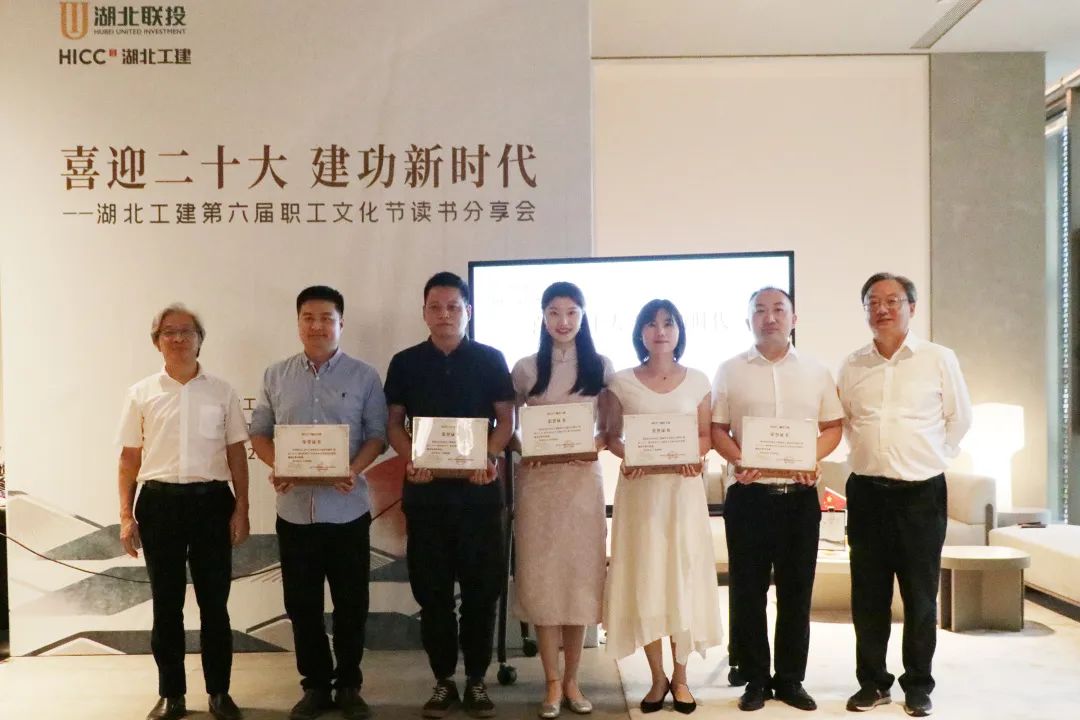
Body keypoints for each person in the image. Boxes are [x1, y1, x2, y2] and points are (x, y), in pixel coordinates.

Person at [249, 286, 388, 720]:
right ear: (298, 323)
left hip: (348, 512)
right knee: (302, 605)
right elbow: (259, 433)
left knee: (351, 605)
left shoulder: (364, 376)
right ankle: (314, 685)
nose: (317, 326)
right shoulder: (275, 376)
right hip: (295, 513)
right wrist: (278, 464)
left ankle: (348, 684)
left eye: (327, 318)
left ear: (341, 323)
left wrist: (354, 469)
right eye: (308, 317)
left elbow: (377, 436)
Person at [838, 273, 972, 718]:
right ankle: (872, 682)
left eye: (892, 300)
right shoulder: (852, 364)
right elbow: (847, 421)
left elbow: (959, 419)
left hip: (921, 495)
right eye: (873, 302)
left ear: (911, 307)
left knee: (920, 596)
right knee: (868, 596)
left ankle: (918, 684)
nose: (882, 309)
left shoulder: (938, 358)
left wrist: (932, 458)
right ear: (865, 311)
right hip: (867, 494)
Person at [384, 271, 515, 719]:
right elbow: (394, 424)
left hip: (479, 498)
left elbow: (505, 421)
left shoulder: (490, 359)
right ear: (424, 312)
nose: (445, 315)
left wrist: (488, 457)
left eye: (454, 307)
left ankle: (476, 680)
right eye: (435, 307)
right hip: (426, 499)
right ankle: (443, 680)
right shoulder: (405, 362)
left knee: (481, 593)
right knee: (433, 595)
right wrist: (411, 460)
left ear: (468, 311)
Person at [710, 287, 843, 712]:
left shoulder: (817, 371)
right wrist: (739, 459)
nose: (770, 318)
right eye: (760, 311)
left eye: (779, 310)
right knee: (747, 592)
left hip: (799, 499)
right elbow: (717, 429)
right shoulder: (730, 370)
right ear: (748, 319)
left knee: (796, 592)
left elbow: (833, 426)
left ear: (794, 318)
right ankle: (755, 679)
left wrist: (811, 458)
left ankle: (789, 679)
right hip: (749, 497)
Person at [117, 304, 250, 720]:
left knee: (215, 604)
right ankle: (171, 694)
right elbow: (129, 458)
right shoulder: (141, 393)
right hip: (159, 505)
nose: (178, 338)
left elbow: (236, 454)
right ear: (157, 341)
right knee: (166, 604)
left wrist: (242, 508)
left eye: (186, 331)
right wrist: (125, 515)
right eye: (168, 332)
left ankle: (219, 693)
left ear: (200, 339)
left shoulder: (222, 391)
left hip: (212, 504)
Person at [602, 299, 723, 715]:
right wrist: (629, 456)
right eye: (651, 324)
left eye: (668, 324)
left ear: (679, 331)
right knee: (648, 576)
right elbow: (612, 436)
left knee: (681, 576)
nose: (660, 331)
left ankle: (682, 678)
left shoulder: (699, 380)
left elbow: (705, 434)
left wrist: (696, 454)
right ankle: (657, 677)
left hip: (682, 493)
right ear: (640, 332)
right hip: (641, 494)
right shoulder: (620, 382)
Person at [510, 282, 613, 719]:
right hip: (538, 486)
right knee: (543, 580)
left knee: (578, 581)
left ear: (583, 316)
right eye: (554, 312)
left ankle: (573, 679)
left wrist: (594, 445)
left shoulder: (600, 366)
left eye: (571, 312)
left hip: (581, 485)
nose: (563, 321)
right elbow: (508, 427)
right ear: (543, 316)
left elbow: (609, 429)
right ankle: (551, 682)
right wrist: (525, 447)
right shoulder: (525, 368)